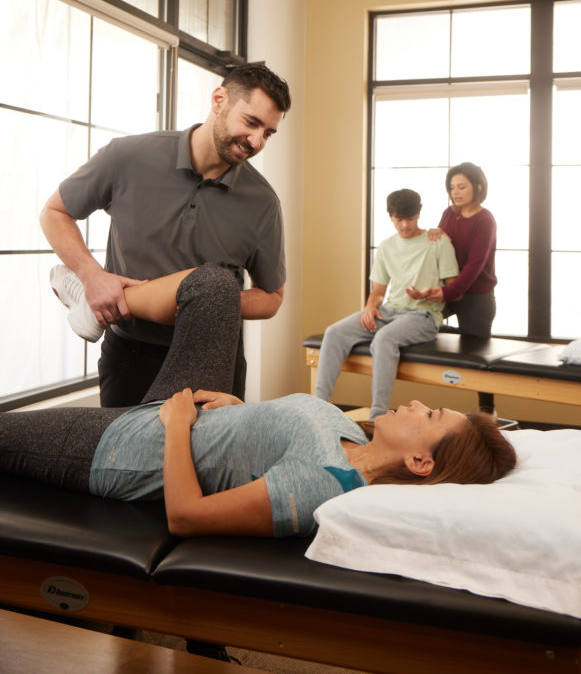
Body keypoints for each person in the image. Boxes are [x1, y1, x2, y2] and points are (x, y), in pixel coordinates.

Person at [0, 264, 517, 541]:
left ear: (420, 461)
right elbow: (270, 432)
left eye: (430, 416)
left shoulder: (325, 483)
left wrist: (179, 428)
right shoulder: (356, 436)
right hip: (196, 406)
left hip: (132, 448)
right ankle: (93, 301)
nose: (419, 402)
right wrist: (233, 406)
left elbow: (187, 517)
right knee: (214, 285)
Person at [40, 62, 291, 408]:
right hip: (132, 352)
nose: (257, 141)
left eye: (268, 133)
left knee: (207, 462)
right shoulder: (127, 157)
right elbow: (55, 213)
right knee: (125, 460)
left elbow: (272, 297)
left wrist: (202, 303)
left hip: (215, 355)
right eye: (251, 122)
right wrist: (92, 276)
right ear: (219, 99)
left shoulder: (262, 202)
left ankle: (101, 300)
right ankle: (92, 295)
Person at [314, 189, 459, 419]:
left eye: (409, 219)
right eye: (398, 219)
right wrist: (370, 307)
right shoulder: (386, 247)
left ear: (418, 214)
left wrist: (430, 294)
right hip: (389, 311)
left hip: (423, 317)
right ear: (390, 216)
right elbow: (379, 291)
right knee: (333, 333)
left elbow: (454, 290)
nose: (404, 225)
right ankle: (317, 409)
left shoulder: (437, 242)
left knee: (384, 340)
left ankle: (377, 417)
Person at [422, 162, 497, 338]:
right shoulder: (449, 213)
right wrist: (435, 233)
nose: (455, 192)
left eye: (461, 187)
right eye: (452, 187)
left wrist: (448, 293)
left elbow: (475, 265)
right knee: (419, 326)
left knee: (472, 350)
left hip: (476, 297)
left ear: (478, 187)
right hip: (449, 289)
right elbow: (440, 250)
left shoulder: (485, 220)